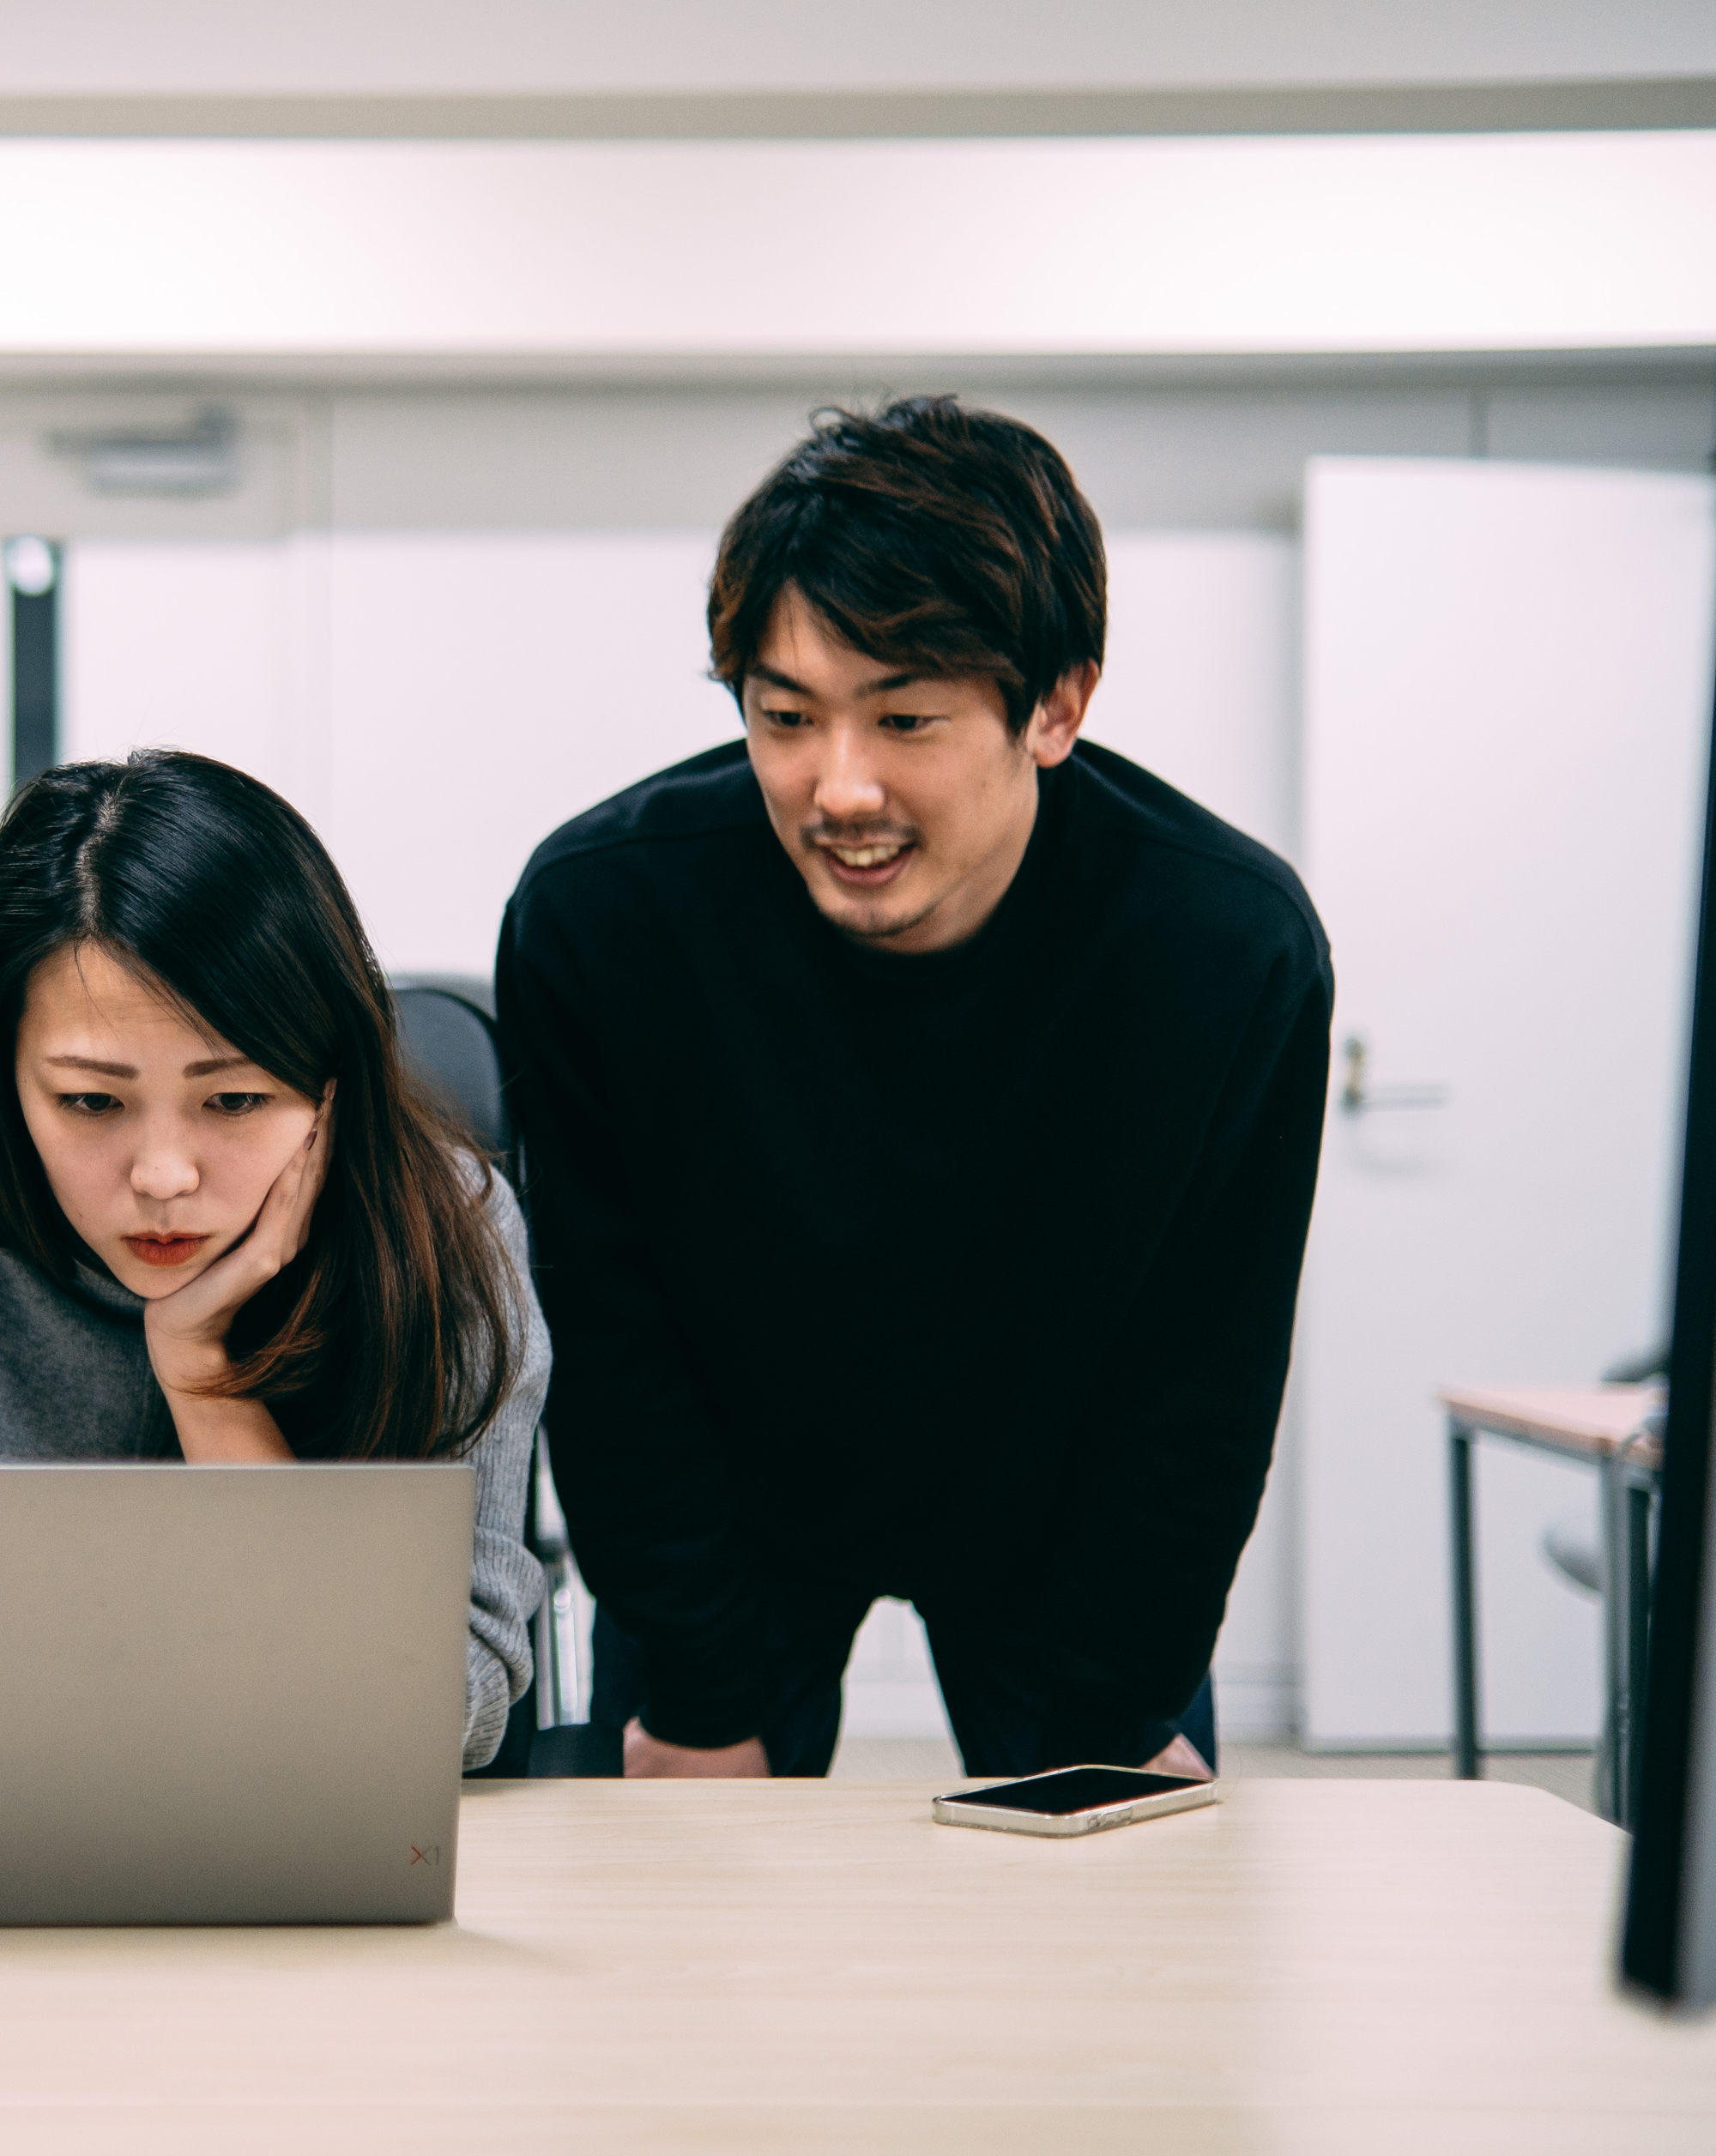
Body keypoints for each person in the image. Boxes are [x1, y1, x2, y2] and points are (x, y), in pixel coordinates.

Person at [497, 396, 1332, 1781]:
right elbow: (613, 1347)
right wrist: (702, 1697)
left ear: (1055, 705)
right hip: (731, 1515)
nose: (840, 786)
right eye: (786, 716)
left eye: (907, 717)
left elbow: (1201, 1386)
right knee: (696, 1947)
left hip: (1067, 1519)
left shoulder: (1223, 953)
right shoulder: (608, 920)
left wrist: (1117, 1713)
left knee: (1112, 1951)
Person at [0, 751, 549, 1770]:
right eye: (89, 1102)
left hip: (306, 1870)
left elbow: (447, 1711)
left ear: (332, 1086)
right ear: (3, 1076)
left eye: (235, 1100)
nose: (163, 1176)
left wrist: (208, 1383)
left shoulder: (449, 1232)